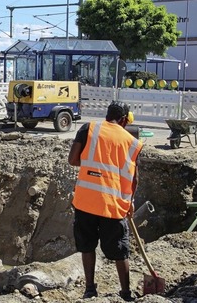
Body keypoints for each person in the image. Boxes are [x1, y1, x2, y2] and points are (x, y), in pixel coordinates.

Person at [67, 101, 142, 301]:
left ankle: (90, 289)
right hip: (113, 205)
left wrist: (94, 166)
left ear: (108, 115)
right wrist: (131, 202)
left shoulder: (88, 128)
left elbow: (73, 160)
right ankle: (126, 293)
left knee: (87, 245)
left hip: (85, 202)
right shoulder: (132, 141)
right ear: (125, 119)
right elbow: (134, 178)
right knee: (120, 250)